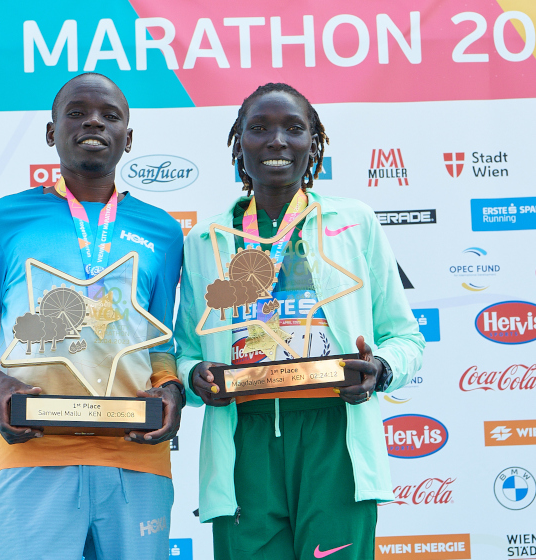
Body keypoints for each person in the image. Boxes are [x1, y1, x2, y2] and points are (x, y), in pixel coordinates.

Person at [175, 83, 425, 560]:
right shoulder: (205, 238)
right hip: (242, 441)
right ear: (238, 143)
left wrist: (382, 370)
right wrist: (193, 376)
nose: (276, 141)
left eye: (294, 128)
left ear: (314, 143)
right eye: (259, 128)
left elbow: (405, 337)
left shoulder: (355, 222)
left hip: (336, 435)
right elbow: (186, 350)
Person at [0, 72, 185, 560]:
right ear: (52, 131)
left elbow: (159, 344)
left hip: (136, 458)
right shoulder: (1, 219)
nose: (93, 122)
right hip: (32, 454)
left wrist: (170, 388)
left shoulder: (162, 230)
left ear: (129, 137)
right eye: (76, 113)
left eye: (110, 115)